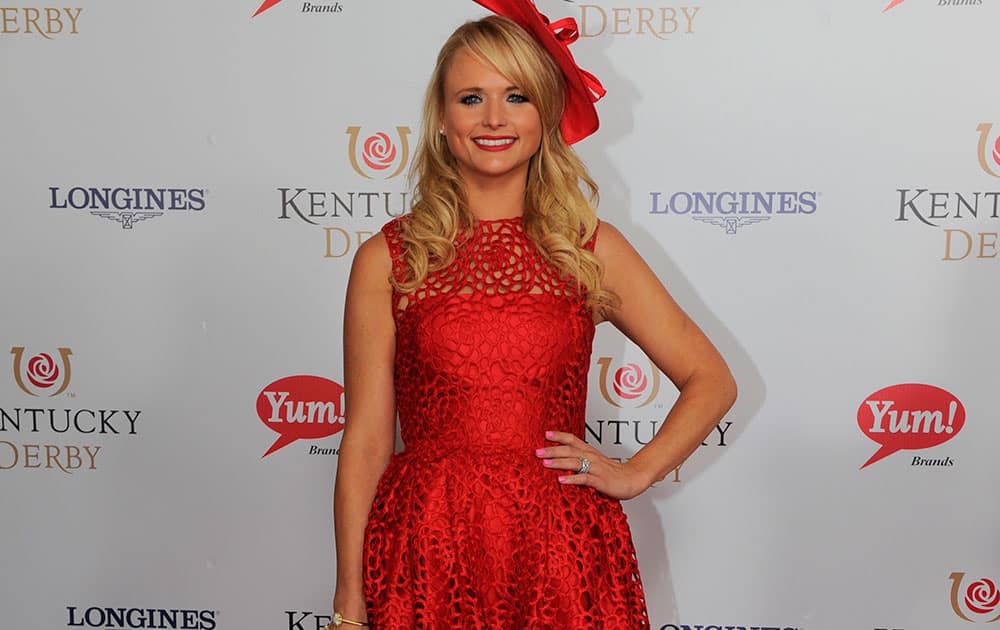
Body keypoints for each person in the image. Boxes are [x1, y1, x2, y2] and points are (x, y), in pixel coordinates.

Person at [330, 2, 737, 628]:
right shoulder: (389, 257)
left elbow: (712, 379)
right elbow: (364, 442)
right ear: (441, 117)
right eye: (471, 97)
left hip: (560, 552)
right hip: (426, 552)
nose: (494, 118)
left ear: (546, 114)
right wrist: (350, 602)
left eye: (516, 96)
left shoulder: (588, 248)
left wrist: (635, 472)